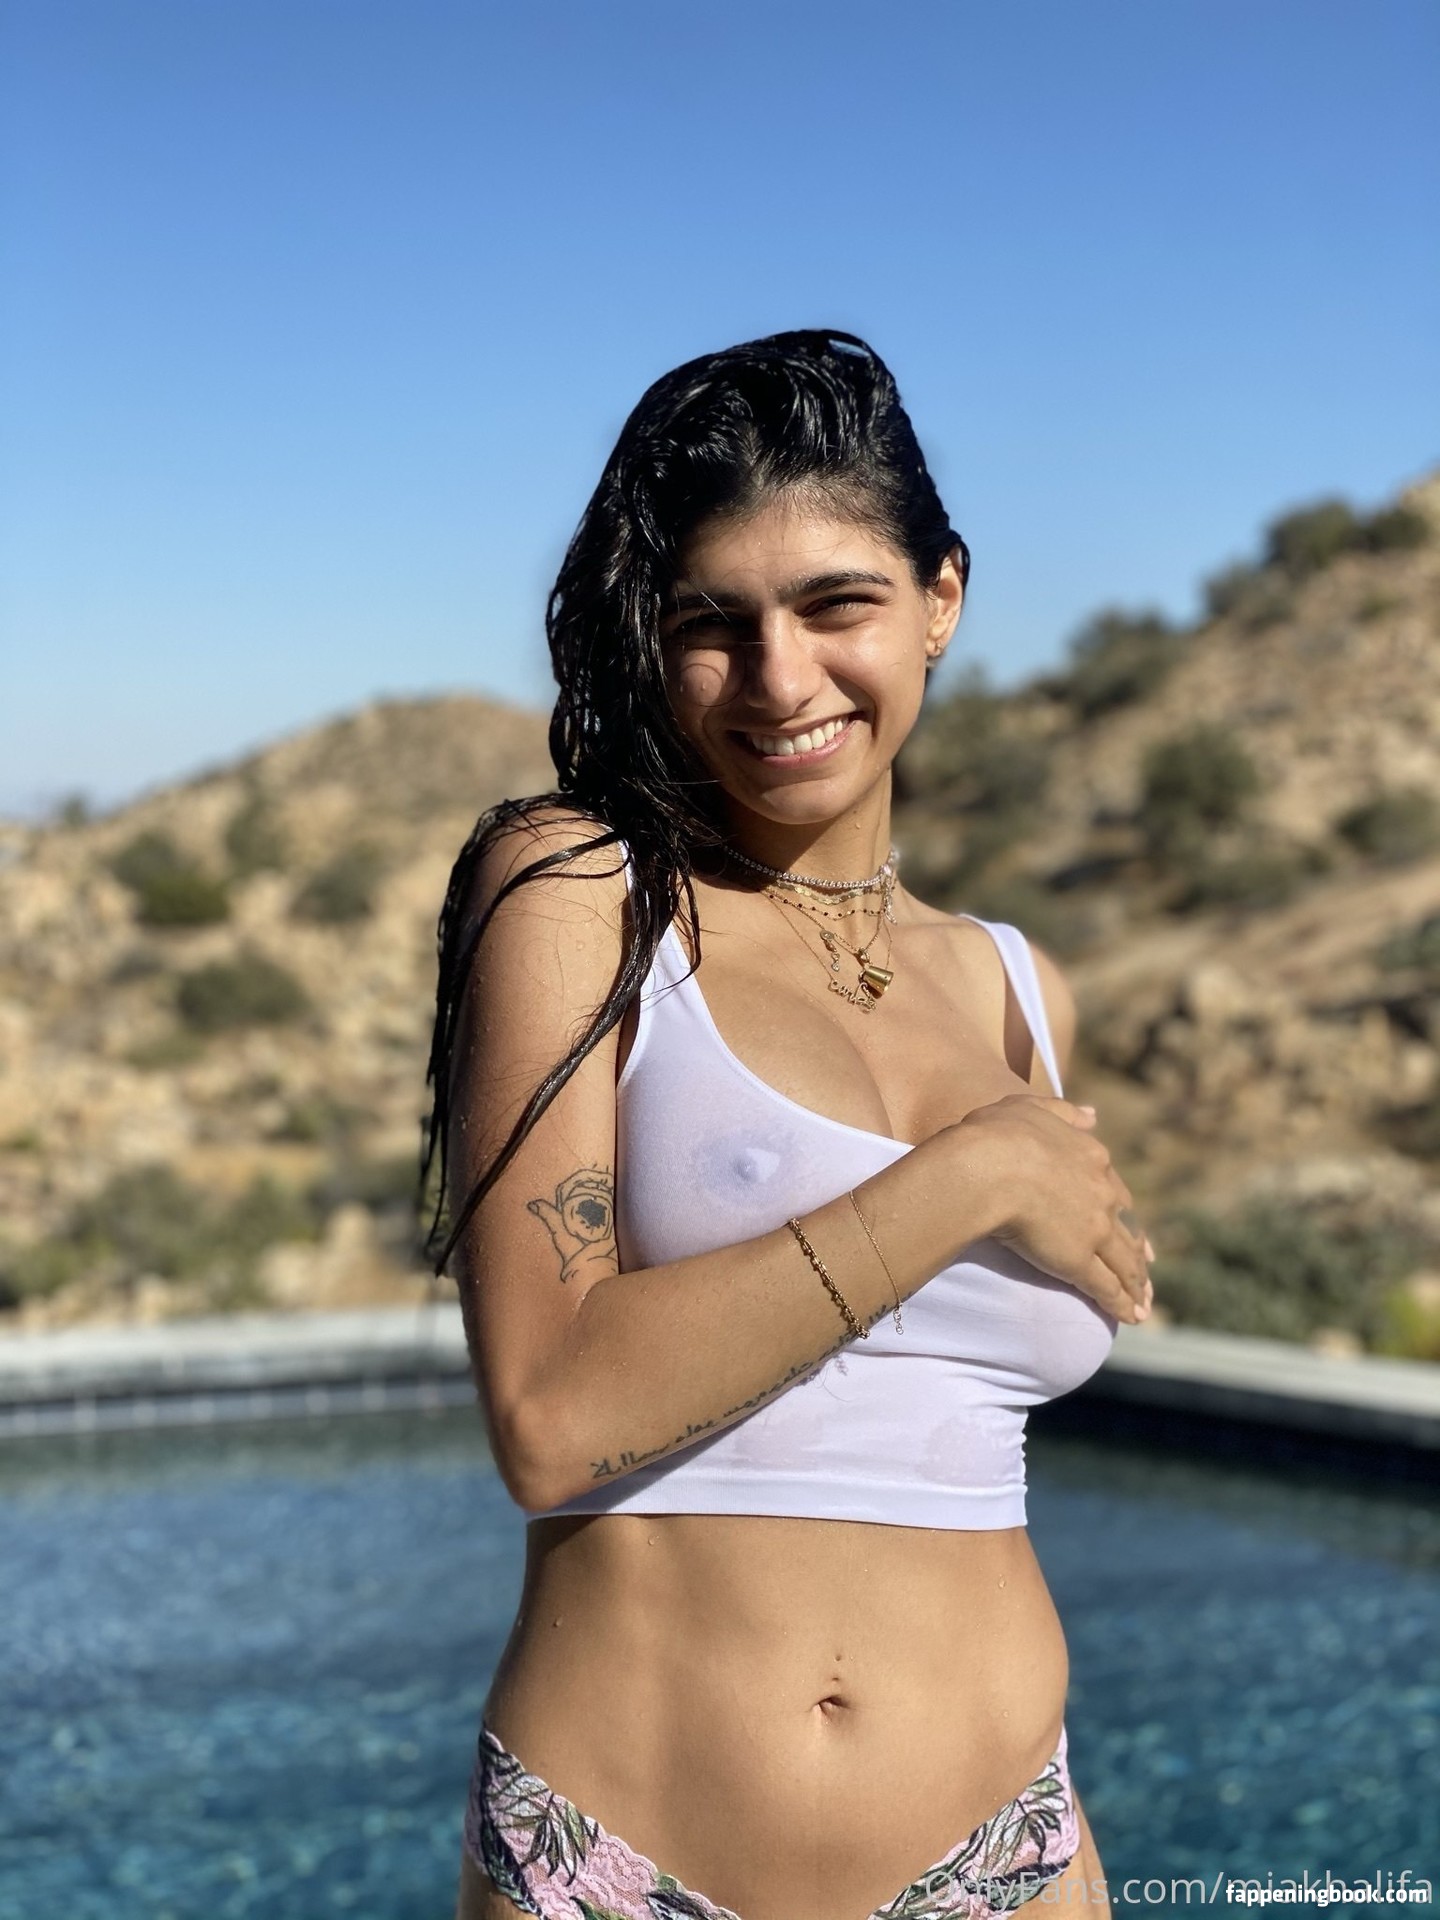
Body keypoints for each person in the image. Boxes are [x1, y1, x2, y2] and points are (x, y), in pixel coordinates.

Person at [422, 329, 1155, 1920]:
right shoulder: (583, 895)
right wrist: (970, 1177)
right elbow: (549, 1416)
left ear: (941, 598)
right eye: (714, 623)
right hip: (628, 1860)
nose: (779, 680)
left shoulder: (1020, 989)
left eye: (838, 605)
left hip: (1009, 1851)